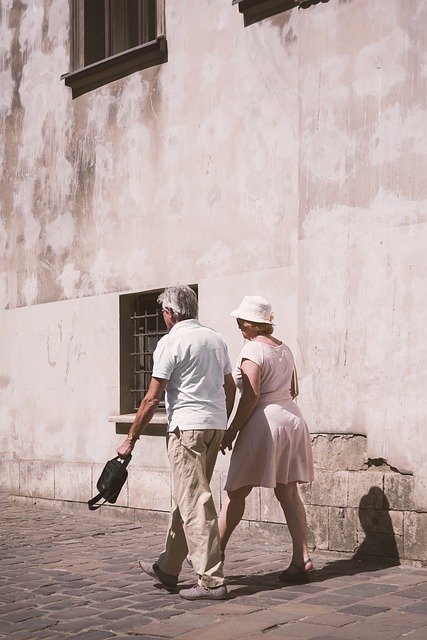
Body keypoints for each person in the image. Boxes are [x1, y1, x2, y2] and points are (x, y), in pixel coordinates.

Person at [117, 285, 235, 600]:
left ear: (170, 313)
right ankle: (168, 567)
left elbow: (152, 397)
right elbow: (230, 387)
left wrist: (130, 439)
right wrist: (224, 422)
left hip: (187, 430)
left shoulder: (171, 342)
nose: (163, 317)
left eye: (163, 312)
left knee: (195, 500)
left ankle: (211, 581)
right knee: (189, 497)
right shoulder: (215, 339)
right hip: (213, 426)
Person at [218, 295, 315, 582]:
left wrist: (232, 428)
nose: (239, 329)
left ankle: (214, 556)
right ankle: (302, 558)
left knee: (235, 492)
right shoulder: (284, 348)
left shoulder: (252, 350)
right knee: (288, 491)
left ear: (249, 323)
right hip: (292, 418)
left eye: (240, 323)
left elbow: (251, 393)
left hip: (265, 422)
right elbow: (293, 388)